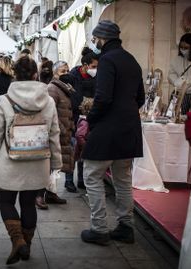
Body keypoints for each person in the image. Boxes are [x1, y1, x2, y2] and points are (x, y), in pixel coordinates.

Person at [0, 55, 62, 264]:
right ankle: (26, 242)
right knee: (28, 204)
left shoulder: (4, 100)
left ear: (14, 75)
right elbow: (54, 134)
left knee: (5, 200)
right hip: (38, 163)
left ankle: (18, 241)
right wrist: (56, 163)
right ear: (36, 75)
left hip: (9, 163)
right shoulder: (48, 101)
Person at [80, 20, 145, 245]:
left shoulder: (107, 60)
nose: (94, 43)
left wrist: (91, 119)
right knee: (123, 178)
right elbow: (141, 98)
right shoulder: (131, 59)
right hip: (129, 127)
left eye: (95, 39)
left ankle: (99, 228)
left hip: (108, 127)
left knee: (91, 174)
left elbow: (103, 97)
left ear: (102, 39)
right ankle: (126, 226)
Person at [69, 47, 99, 189]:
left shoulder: (96, 77)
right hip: (74, 117)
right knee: (72, 148)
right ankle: (69, 180)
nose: (95, 69)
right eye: (94, 66)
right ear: (85, 65)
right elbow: (71, 98)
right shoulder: (73, 76)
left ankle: (81, 180)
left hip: (89, 118)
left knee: (84, 147)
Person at [47, 61, 76, 194]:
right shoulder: (53, 88)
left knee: (58, 166)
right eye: (62, 71)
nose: (66, 73)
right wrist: (62, 129)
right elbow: (50, 112)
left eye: (67, 70)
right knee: (52, 166)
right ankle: (45, 194)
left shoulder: (66, 87)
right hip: (58, 133)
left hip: (66, 132)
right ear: (55, 73)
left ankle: (52, 193)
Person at [168, 33, 191, 114]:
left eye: (186, 48)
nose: (183, 50)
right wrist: (176, 81)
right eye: (181, 47)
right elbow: (171, 74)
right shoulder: (176, 59)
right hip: (180, 93)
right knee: (177, 115)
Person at [73, 98, 94, 189]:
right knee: (84, 166)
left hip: (82, 149)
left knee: (82, 165)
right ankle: (82, 182)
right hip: (83, 149)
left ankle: (81, 182)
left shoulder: (83, 120)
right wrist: (86, 146)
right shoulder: (85, 122)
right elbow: (79, 135)